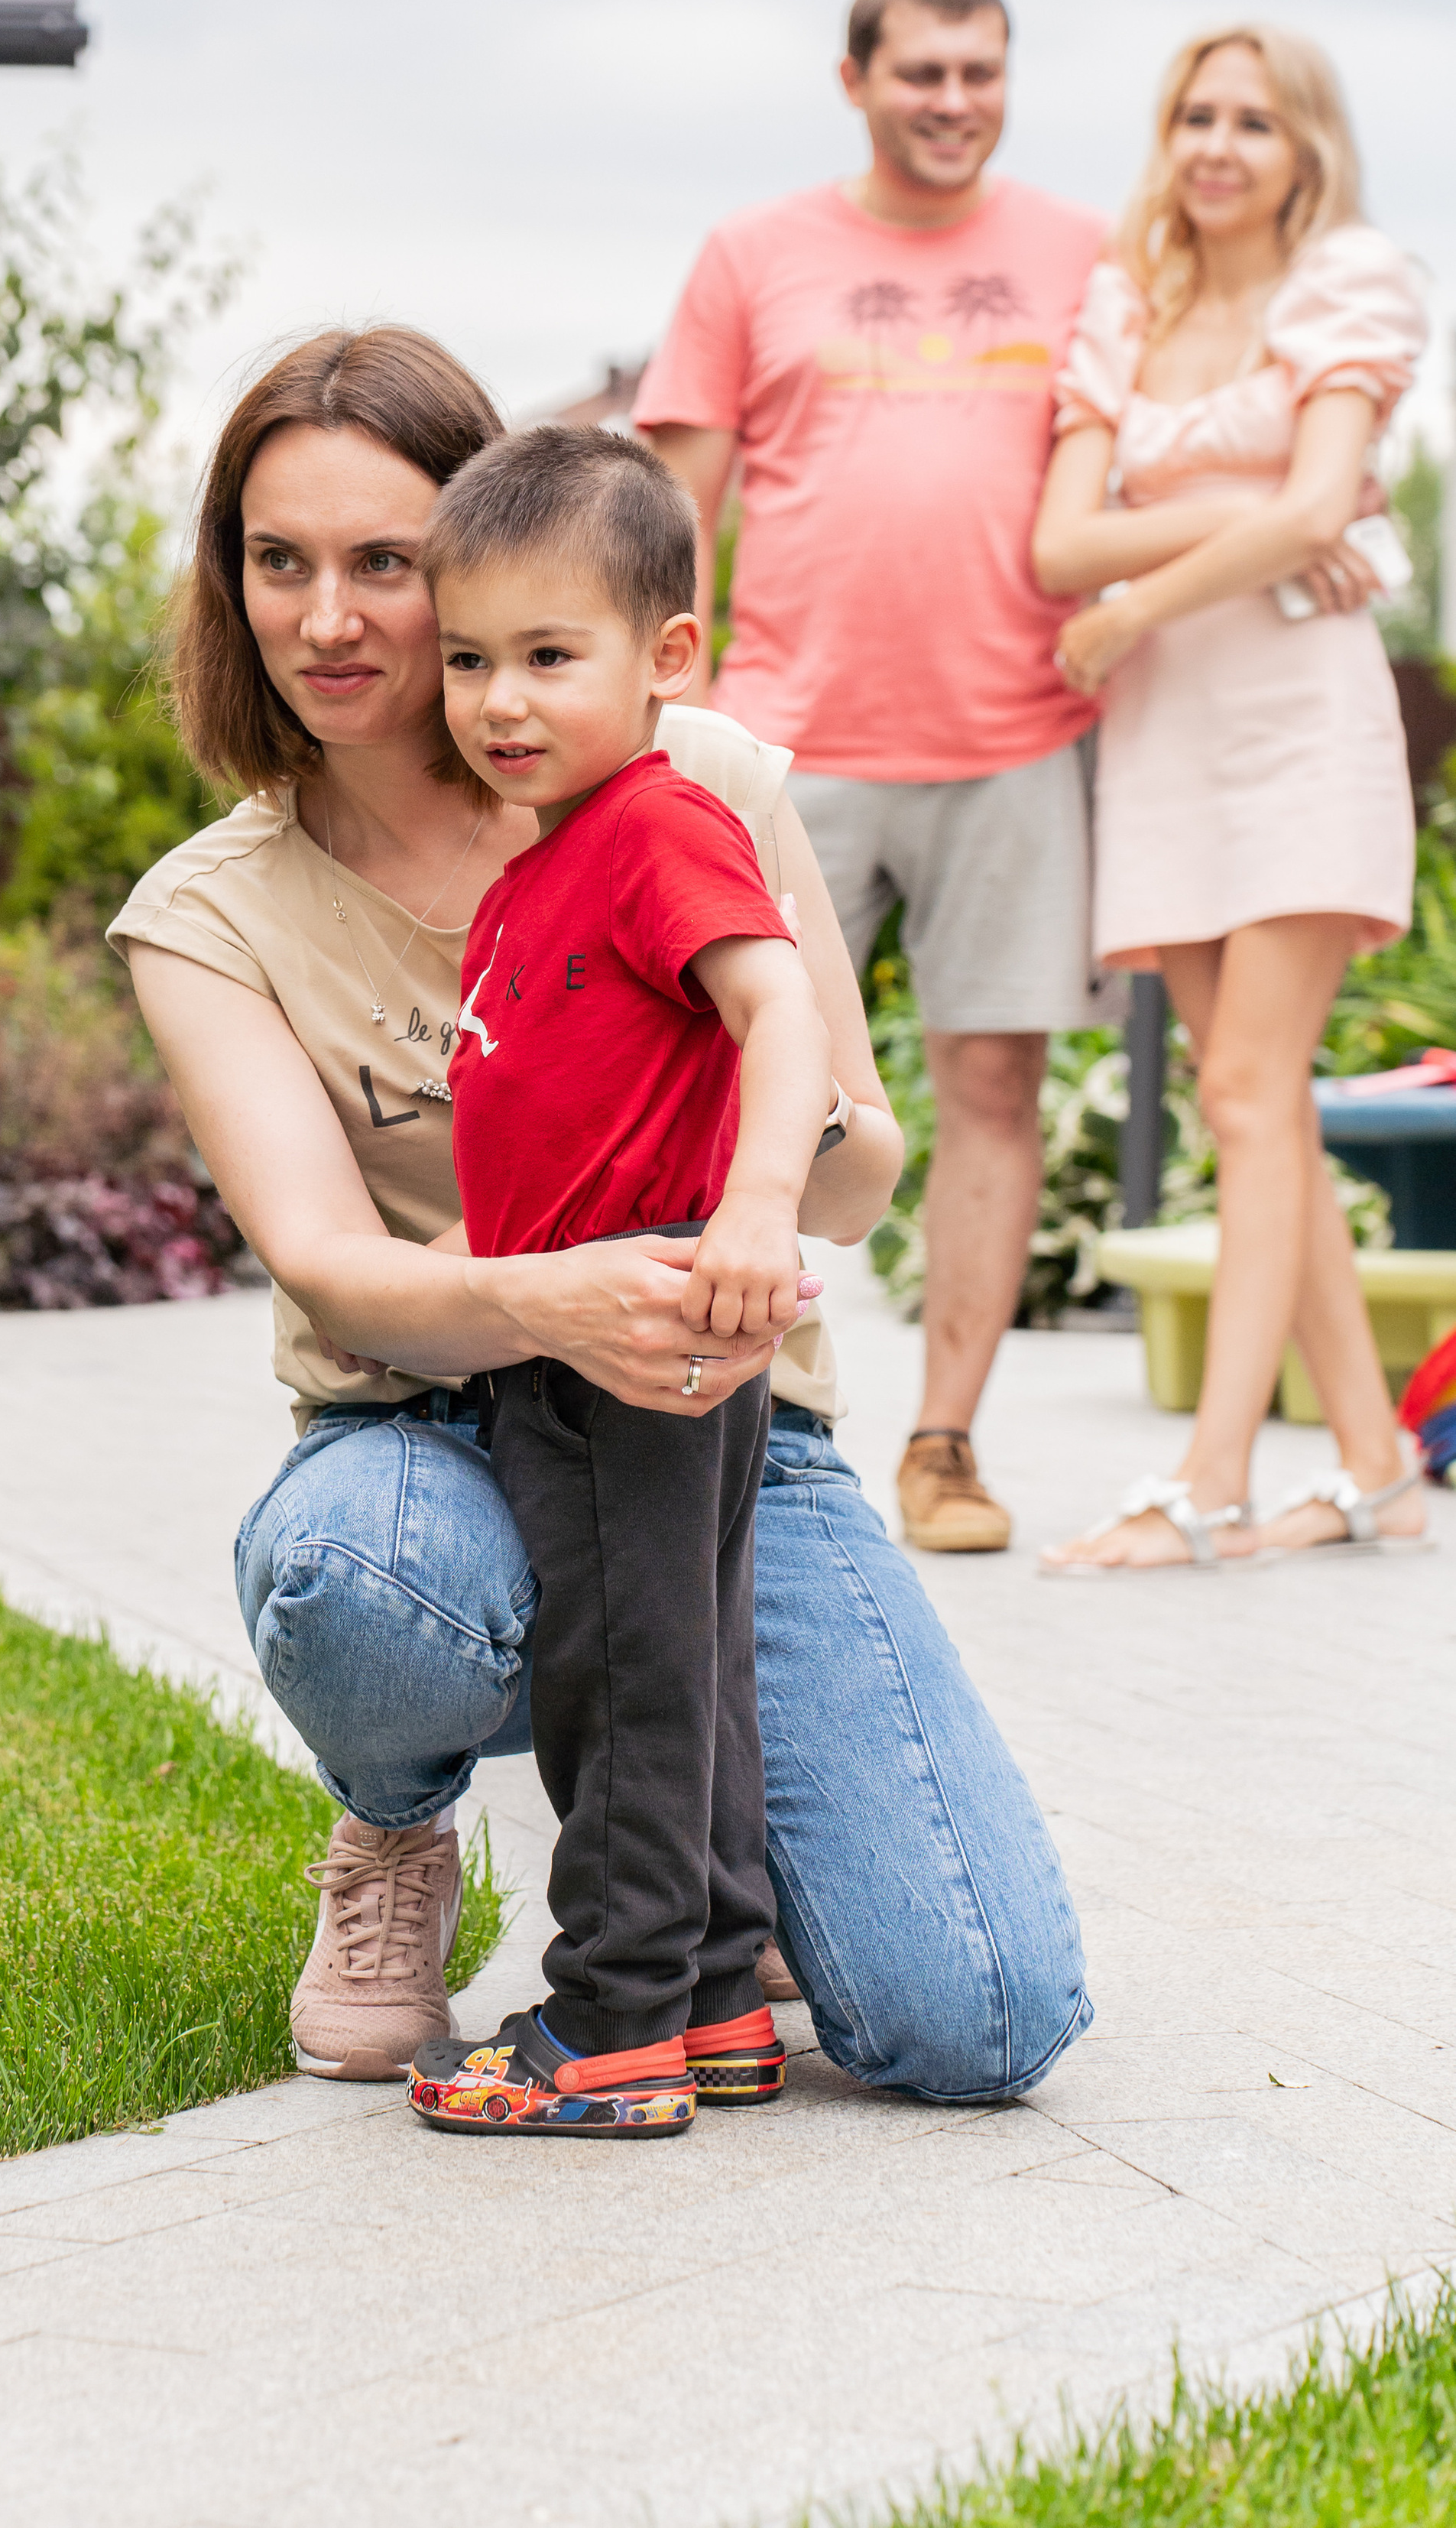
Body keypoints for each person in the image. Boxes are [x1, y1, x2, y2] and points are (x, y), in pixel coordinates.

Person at [109, 323, 1091, 2102]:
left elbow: (852, 1145)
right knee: (366, 1585)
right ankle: (399, 1826)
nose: (326, 617)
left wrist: (766, 1186)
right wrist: (559, 1292)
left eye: (383, 565)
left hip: (721, 1417)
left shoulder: (684, 783)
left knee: (977, 2016)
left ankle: (721, 1910)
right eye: (278, 561)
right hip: (423, 1427)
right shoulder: (212, 908)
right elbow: (330, 1266)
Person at [637, 0, 1108, 1557]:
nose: (953, 102)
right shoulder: (751, 256)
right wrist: (660, 735)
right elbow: (666, 518)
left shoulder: (1079, 256)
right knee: (732, 1081)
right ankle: (725, 1418)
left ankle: (944, 1448)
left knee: (992, 1084)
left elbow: (1151, 459)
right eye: (920, 73)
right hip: (785, 748)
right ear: (854, 80)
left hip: (1013, 739)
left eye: (980, 72)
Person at [404, 426, 830, 2138]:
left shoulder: (658, 828)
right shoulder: (532, 868)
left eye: (546, 658)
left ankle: (610, 2021)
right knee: (677, 1654)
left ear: (666, 658)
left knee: (621, 1677)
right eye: (468, 661)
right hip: (565, 1340)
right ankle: (717, 1994)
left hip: (642, 1346)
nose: (499, 701)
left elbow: (781, 1012)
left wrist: (758, 1209)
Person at [1033, 27, 1431, 1572]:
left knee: (1250, 1098)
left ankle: (1204, 1482)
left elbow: (1327, 505)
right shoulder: (1125, 304)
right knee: (1246, 1108)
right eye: (1192, 115)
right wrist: (1245, 516)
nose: (1214, 144)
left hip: (1292, 724)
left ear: (1300, 146)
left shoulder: (1347, 283)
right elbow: (1057, 544)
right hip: (1166, 744)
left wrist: (1146, 592)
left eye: (1250, 121)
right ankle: (1378, 1465)